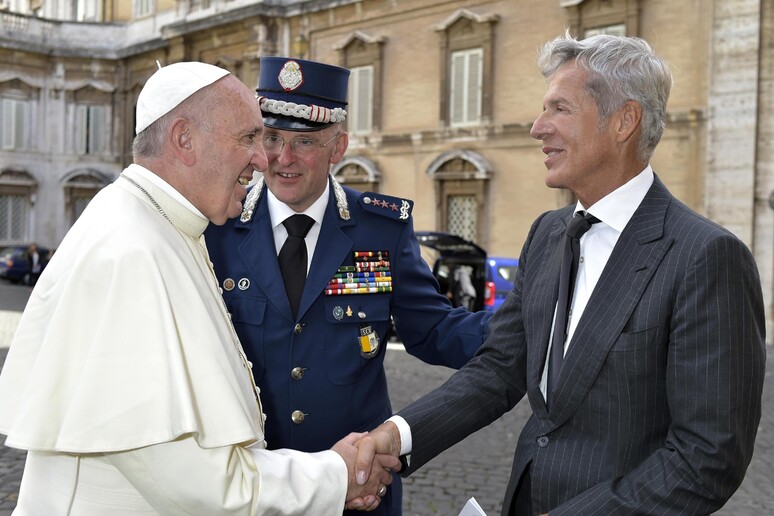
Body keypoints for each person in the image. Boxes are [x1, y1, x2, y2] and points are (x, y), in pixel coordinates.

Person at [354, 32, 766, 515]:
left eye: (559, 109)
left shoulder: (706, 256)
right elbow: (498, 369)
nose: (537, 127)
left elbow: (708, 457)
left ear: (624, 121)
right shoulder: (548, 233)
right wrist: (397, 435)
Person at [0, 61, 398, 514]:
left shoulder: (160, 226)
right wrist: (334, 474)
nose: (263, 159)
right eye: (249, 138)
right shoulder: (132, 252)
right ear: (184, 139)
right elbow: (197, 484)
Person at [204, 57, 491, 516]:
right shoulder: (218, 227)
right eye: (272, 138)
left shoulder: (380, 228)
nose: (283, 158)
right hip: (253, 490)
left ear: (339, 147)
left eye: (305, 142)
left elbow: (434, 330)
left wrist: (533, 321)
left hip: (358, 490)